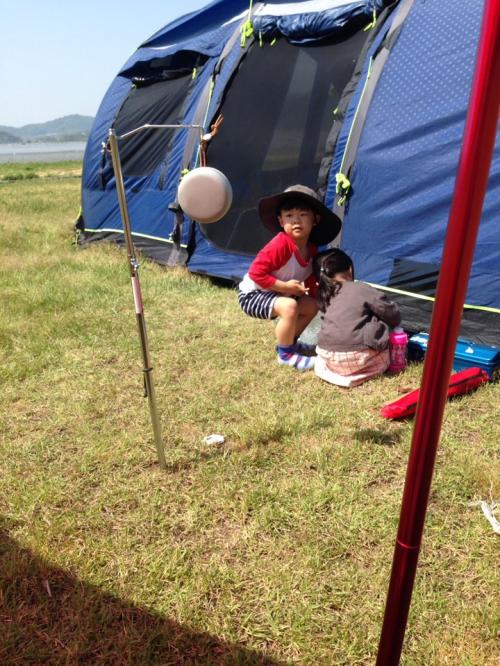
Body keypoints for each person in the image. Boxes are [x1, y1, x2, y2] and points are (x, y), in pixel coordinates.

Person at [238, 185, 341, 371]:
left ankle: (290, 343)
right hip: (253, 294)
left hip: (277, 293)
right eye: (289, 215)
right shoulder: (280, 245)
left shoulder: (311, 250)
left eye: (303, 214)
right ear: (280, 220)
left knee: (312, 305)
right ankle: (285, 356)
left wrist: (322, 297)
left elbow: (310, 279)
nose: (296, 220)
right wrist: (286, 287)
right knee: (290, 306)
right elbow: (256, 274)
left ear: (315, 220)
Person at [314, 248, 401, 387]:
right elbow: (390, 312)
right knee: (383, 336)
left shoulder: (325, 294)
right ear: (350, 269)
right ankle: (361, 372)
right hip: (359, 358)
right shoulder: (361, 288)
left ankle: (337, 374)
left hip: (329, 356)